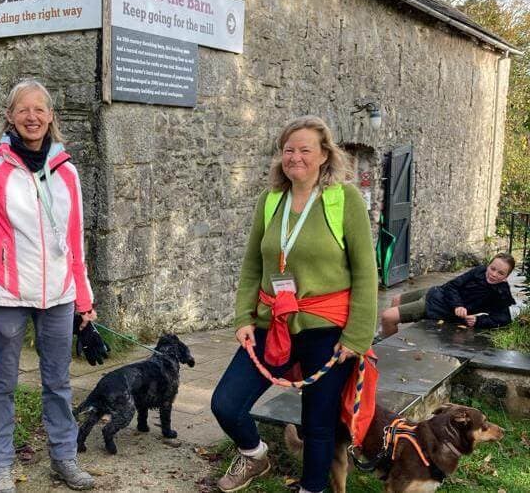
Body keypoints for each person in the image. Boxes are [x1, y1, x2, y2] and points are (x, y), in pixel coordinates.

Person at [211, 116, 377, 493]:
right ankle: (255, 454)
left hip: (326, 326)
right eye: (289, 150)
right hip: (273, 323)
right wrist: (243, 316)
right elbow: (253, 264)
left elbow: (366, 272)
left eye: (305, 149)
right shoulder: (271, 201)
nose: (295, 157)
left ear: (323, 155)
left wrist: (357, 336)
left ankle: (313, 487)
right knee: (226, 401)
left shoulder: (343, 199)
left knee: (317, 422)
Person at [0, 79, 97, 492]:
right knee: (2, 381)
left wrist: (84, 298)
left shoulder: (68, 173)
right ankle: (0, 462)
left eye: (40, 109)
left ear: (51, 116)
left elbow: (75, 241)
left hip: (59, 295)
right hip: (7, 295)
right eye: (23, 109)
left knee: (57, 381)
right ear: (10, 116)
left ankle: (64, 456)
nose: (32, 117)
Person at [380, 253, 516, 337]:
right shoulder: (479, 271)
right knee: (396, 299)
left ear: (506, 277)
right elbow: (452, 285)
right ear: (488, 266)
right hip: (437, 292)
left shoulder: (501, 293)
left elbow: (504, 318)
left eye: (500, 273)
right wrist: (458, 304)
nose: (493, 274)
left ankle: (388, 351)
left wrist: (479, 321)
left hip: (438, 307)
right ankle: (386, 337)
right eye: (492, 268)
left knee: (387, 316)